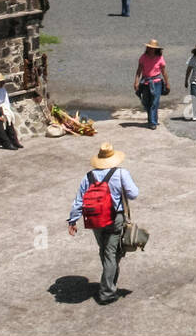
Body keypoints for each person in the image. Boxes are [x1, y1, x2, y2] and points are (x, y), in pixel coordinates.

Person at [67, 142, 140, 305]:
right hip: (115, 219)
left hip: (95, 220)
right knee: (112, 254)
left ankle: (110, 279)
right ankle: (107, 292)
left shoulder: (89, 176)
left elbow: (79, 200)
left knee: (105, 249)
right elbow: (134, 194)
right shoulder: (121, 173)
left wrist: (72, 220)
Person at [133, 40, 169, 130]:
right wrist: (136, 81)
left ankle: (152, 122)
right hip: (145, 82)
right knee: (146, 101)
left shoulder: (160, 58)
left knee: (154, 102)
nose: (151, 50)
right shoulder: (143, 57)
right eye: (149, 48)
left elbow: (164, 72)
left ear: (156, 49)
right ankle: (152, 119)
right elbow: (139, 71)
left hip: (157, 82)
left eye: (153, 48)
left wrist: (167, 83)